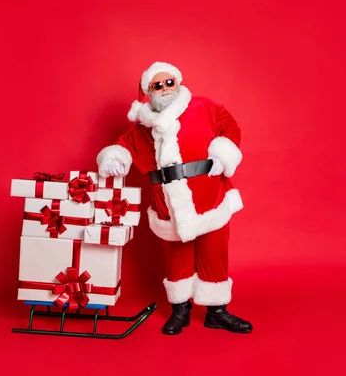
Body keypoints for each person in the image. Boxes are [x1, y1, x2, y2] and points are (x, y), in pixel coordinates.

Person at [96, 61, 252, 335]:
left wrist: (222, 153)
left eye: (170, 82)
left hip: (210, 197)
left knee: (214, 253)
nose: (165, 88)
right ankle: (180, 310)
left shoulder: (203, 107)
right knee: (178, 258)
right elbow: (123, 147)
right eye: (158, 85)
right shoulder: (143, 126)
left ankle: (217, 312)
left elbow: (229, 126)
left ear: (178, 82)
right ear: (149, 91)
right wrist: (113, 159)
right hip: (169, 205)